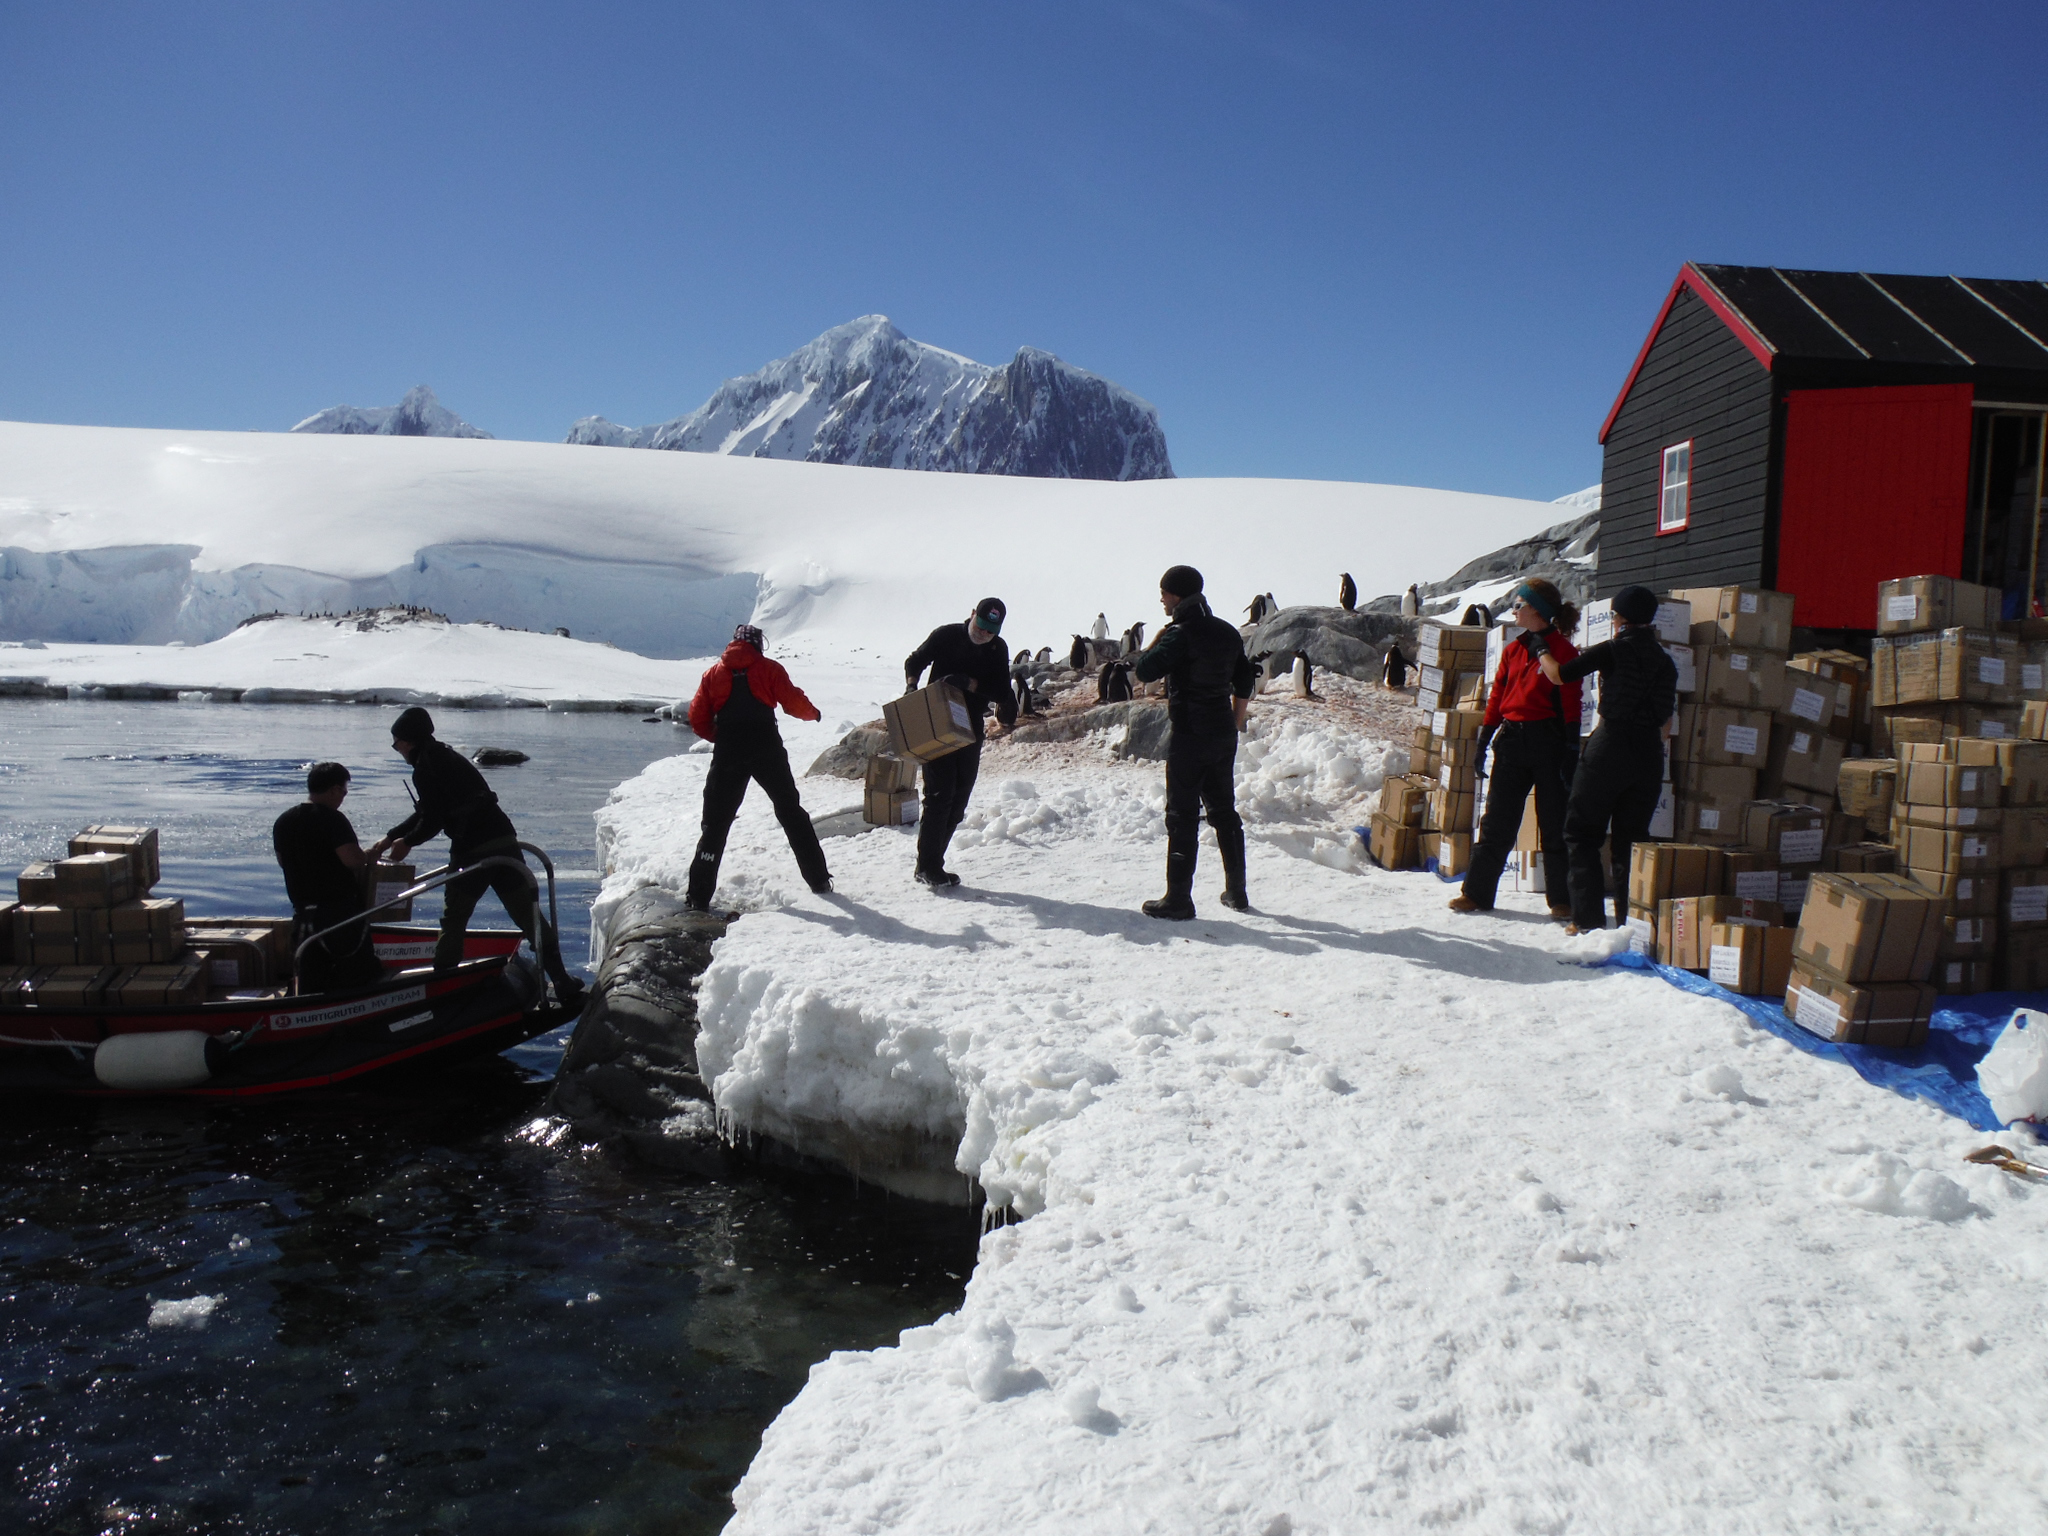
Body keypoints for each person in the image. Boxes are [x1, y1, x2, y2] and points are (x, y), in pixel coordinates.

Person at [369, 706, 583, 1005]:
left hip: (472, 849)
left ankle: (444, 985)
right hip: (504, 840)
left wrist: (407, 843)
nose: (397, 749)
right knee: (527, 913)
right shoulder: (448, 757)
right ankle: (560, 979)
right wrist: (391, 836)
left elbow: (432, 819)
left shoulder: (425, 768)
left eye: (397, 743)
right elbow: (427, 810)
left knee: (454, 918)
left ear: (410, 741)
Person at [1540, 585, 1678, 932]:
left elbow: (1559, 675)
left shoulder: (1614, 649)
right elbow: (1667, 722)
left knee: (1582, 831)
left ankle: (1586, 921)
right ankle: (1632, 923)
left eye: (1614, 614)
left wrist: (1541, 648)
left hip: (1611, 744)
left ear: (1620, 619)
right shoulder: (1665, 661)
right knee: (1631, 841)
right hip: (1649, 753)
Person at [1448, 579, 1579, 920]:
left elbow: (1570, 701)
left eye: (1520, 604)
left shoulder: (1563, 652)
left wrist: (1569, 746)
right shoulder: (1512, 650)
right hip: (1511, 741)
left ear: (1537, 609)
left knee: (1553, 823)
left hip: (1547, 741)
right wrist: (1485, 738)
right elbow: (1497, 699)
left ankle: (1561, 900)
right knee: (1497, 822)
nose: (1514, 609)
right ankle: (1476, 894)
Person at [1132, 565, 1256, 919]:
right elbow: (1244, 680)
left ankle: (1178, 900)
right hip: (1221, 733)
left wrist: (1158, 640)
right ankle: (1237, 892)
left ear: (1177, 595)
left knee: (1182, 815)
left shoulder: (1180, 633)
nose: (1160, 598)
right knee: (1223, 812)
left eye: (1164, 592)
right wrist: (1235, 720)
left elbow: (1145, 671)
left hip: (1189, 735)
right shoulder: (1226, 632)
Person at [683, 623, 834, 909]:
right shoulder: (769, 669)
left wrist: (721, 737)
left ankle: (698, 896)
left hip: (729, 750)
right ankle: (819, 880)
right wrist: (814, 714)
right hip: (766, 747)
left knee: (715, 823)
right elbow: (792, 703)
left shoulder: (714, 674)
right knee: (790, 811)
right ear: (757, 645)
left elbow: (698, 717)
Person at [905, 598, 1018, 888]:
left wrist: (970, 684)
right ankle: (927, 866)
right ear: (972, 616)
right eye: (980, 627)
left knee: (958, 801)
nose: (983, 634)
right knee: (940, 795)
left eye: (990, 631)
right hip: (937, 720)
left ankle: (933, 863)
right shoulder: (947, 635)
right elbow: (915, 660)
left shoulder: (997, 649)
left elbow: (1003, 691)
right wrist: (911, 687)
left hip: (969, 727)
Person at [272, 761, 381, 991]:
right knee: (357, 974)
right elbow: (352, 859)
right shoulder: (333, 820)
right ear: (333, 789)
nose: (343, 797)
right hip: (339, 915)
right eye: (343, 791)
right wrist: (368, 856)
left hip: (303, 914)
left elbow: (283, 862)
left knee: (311, 978)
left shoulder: (283, 821)